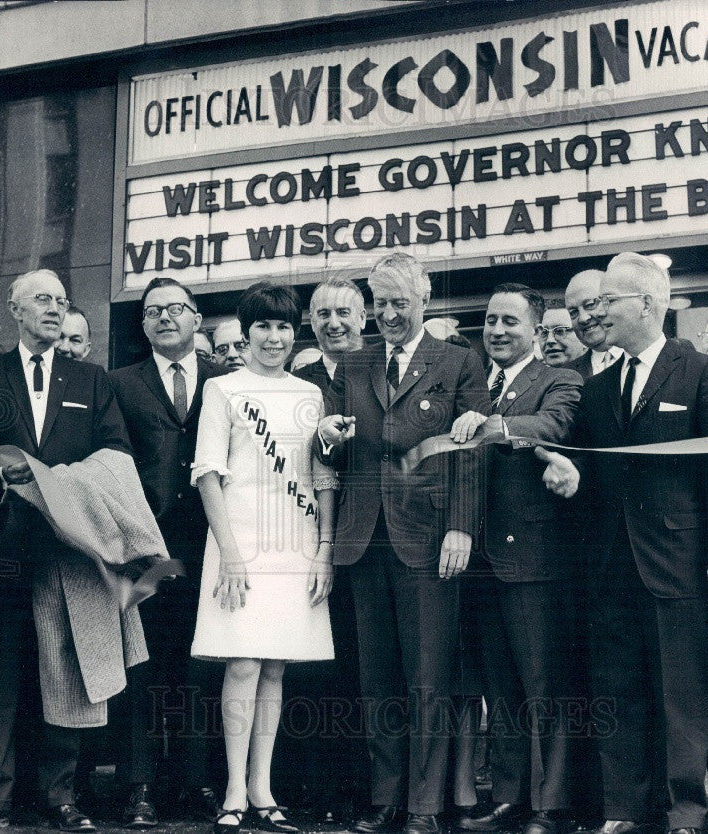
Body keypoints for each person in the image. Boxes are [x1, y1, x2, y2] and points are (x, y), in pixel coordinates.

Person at [545, 252, 708, 834]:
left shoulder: (701, 372)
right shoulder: (599, 386)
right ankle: (623, 811)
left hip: (678, 562)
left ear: (649, 305)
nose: (599, 310)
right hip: (610, 567)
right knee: (617, 692)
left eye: (610, 300)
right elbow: (590, 470)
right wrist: (568, 473)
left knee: (681, 694)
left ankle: (684, 811)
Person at [0, 268, 138, 834]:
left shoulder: (91, 380)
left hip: (70, 549)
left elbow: (116, 455)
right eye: (42, 300)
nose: (54, 308)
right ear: (15, 311)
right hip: (3, 550)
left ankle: (62, 796)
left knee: (67, 669)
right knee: (1, 675)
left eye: (62, 301)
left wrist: (62, 484)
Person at [318, 252, 489, 834]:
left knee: (430, 676)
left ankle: (424, 806)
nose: (389, 314)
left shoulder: (460, 362)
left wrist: (461, 526)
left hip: (429, 538)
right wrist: (326, 435)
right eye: (381, 303)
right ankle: (386, 797)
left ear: (424, 299)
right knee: (379, 677)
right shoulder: (355, 363)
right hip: (365, 539)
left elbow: (472, 452)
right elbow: (336, 451)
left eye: (400, 303)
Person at [190, 282, 337, 834]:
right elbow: (207, 472)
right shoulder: (223, 390)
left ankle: (263, 788)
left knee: (275, 665)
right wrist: (230, 555)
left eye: (282, 327)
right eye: (263, 327)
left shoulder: (311, 394)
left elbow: (322, 477)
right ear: (246, 332)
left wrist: (324, 551)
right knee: (243, 662)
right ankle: (232, 788)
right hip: (239, 539)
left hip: (295, 540)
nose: (274, 337)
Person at [448, 283, 586, 834]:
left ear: (535, 329)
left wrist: (494, 426)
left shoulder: (560, 379)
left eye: (510, 321)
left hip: (533, 560)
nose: (498, 331)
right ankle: (509, 797)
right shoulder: (471, 380)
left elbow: (554, 426)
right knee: (499, 685)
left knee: (543, 683)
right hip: (475, 560)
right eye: (490, 320)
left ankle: (552, 804)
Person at [109, 278, 229, 827]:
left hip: (209, 545)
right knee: (144, 666)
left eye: (174, 309)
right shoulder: (119, 384)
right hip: (146, 550)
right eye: (152, 312)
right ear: (143, 326)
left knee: (201, 666)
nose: (164, 318)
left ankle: (194, 780)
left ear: (195, 316)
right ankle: (139, 786)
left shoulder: (228, 383)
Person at [285, 276, 369, 822]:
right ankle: (311, 789)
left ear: (362, 318)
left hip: (371, 540)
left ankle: (364, 790)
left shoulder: (383, 369)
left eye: (343, 312)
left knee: (366, 670)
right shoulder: (300, 380)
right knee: (311, 667)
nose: (333, 322)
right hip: (306, 541)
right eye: (322, 314)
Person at [563, 270, 622, 378]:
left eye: (590, 305)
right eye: (573, 312)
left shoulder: (644, 357)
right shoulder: (565, 375)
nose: (583, 318)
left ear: (612, 301)